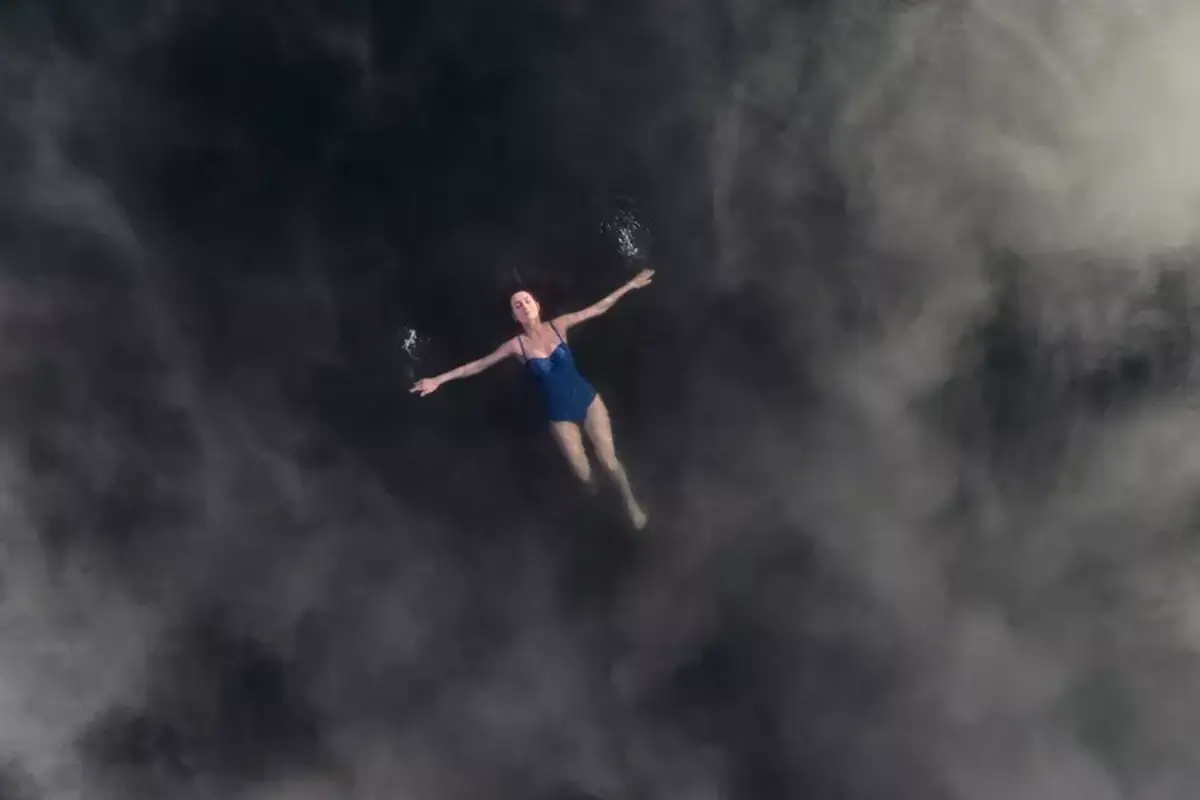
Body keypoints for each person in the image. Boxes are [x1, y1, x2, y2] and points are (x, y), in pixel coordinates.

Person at [410, 269, 655, 529]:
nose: (524, 306)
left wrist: (630, 285)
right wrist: (437, 380)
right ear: (515, 316)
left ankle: (631, 503)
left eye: (527, 300)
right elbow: (478, 365)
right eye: (518, 305)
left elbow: (597, 309)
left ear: (537, 305)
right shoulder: (517, 346)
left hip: (588, 401)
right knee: (584, 474)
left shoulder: (558, 326)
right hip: (560, 415)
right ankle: (596, 502)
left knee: (609, 461)